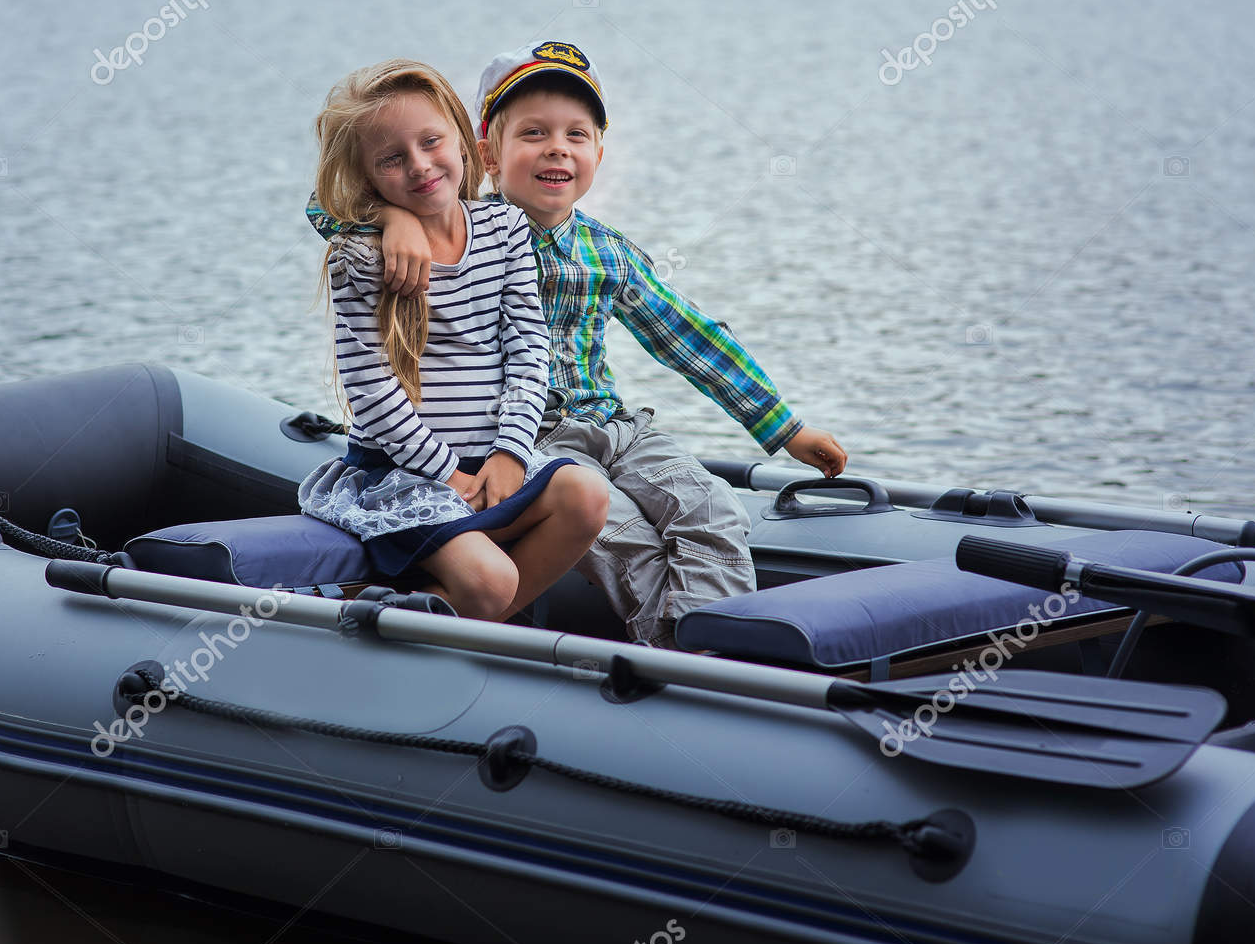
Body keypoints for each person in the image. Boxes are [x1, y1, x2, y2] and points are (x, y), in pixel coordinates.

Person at [308, 41, 847, 648]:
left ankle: (726, 647)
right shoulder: (463, 220)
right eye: (533, 133)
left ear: (597, 153)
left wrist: (784, 426)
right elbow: (328, 206)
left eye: (577, 134)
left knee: (714, 509)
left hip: (618, 428)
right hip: (536, 436)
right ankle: (675, 658)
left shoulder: (606, 252)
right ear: (485, 152)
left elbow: (690, 337)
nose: (557, 147)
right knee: (624, 535)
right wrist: (389, 217)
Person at [298, 58, 608, 622]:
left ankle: (438, 618)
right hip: (405, 476)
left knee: (586, 497)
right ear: (369, 179)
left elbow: (529, 350)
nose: (420, 166)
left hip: (491, 460)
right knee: (491, 581)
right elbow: (370, 393)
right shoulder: (360, 259)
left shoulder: (506, 230)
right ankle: (433, 622)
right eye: (392, 159)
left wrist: (512, 452)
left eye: (431, 141)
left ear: (463, 144)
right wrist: (447, 473)